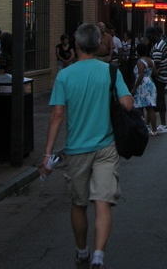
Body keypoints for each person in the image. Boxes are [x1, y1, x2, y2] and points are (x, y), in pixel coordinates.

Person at [40, 23, 133, 269]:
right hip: (106, 146)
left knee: (79, 203)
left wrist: (48, 153)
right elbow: (127, 103)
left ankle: (82, 251)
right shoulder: (110, 72)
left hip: (76, 149)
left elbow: (57, 115)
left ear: (77, 44)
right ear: (98, 45)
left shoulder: (65, 75)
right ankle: (99, 255)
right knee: (103, 202)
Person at [131, 42, 157, 136]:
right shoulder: (151, 61)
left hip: (142, 85)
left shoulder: (140, 62)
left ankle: (144, 128)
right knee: (150, 107)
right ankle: (153, 129)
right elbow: (155, 73)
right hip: (150, 83)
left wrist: (134, 88)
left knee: (140, 108)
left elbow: (140, 75)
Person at [146, 27, 167, 134]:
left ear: (154, 35)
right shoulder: (160, 44)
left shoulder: (157, 48)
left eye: (149, 37)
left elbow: (156, 66)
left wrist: (150, 74)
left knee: (157, 101)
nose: (148, 39)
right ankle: (154, 125)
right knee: (156, 101)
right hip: (162, 77)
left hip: (159, 78)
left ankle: (162, 125)